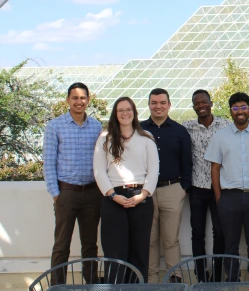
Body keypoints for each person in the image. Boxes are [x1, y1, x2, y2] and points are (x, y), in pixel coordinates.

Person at [204, 92, 249, 281]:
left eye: (243, 107)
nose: (239, 111)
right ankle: (232, 282)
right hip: (229, 197)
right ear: (231, 111)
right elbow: (215, 168)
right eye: (235, 108)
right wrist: (219, 197)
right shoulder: (220, 137)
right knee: (230, 245)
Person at [93, 97, 159, 282]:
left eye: (128, 109)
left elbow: (153, 171)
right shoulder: (104, 139)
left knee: (139, 251)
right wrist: (113, 195)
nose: (125, 113)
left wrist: (142, 195)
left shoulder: (146, 138)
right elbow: (99, 171)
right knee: (115, 252)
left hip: (141, 199)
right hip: (113, 198)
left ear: (134, 112)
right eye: (120, 110)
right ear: (115, 113)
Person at [43, 83, 103, 284]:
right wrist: (56, 193)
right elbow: (49, 162)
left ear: (88, 100)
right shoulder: (55, 126)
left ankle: (91, 284)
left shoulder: (96, 126)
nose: (79, 102)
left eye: (83, 98)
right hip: (66, 193)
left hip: (92, 194)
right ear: (68, 100)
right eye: (75, 98)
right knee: (61, 245)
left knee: (90, 245)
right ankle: (57, 286)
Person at [140, 89, 192, 283]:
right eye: (154, 102)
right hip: (146, 191)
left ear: (169, 105)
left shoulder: (180, 131)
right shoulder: (140, 130)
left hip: (173, 190)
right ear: (149, 104)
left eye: (162, 102)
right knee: (150, 240)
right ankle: (151, 282)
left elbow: (187, 162)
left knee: (171, 240)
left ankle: (175, 280)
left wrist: (183, 188)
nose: (158, 106)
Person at [183, 89, 230, 282]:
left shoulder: (225, 125)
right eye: (196, 103)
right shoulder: (187, 127)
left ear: (211, 103)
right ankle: (201, 275)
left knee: (220, 232)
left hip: (221, 187)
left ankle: (218, 275)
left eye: (204, 102)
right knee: (197, 232)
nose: (201, 106)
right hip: (197, 187)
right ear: (193, 106)